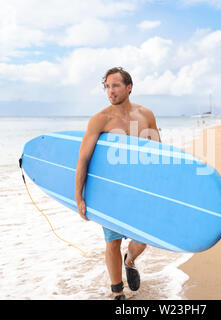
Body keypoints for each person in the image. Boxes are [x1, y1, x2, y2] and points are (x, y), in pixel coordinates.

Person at [74, 67, 161, 300]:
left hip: (140, 188)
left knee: (143, 240)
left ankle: (130, 260)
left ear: (129, 87)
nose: (110, 91)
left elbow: (158, 153)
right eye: (107, 87)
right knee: (112, 242)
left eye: (115, 86)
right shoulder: (100, 120)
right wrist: (78, 196)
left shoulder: (146, 115)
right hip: (110, 191)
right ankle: (117, 293)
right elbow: (83, 158)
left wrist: (160, 187)